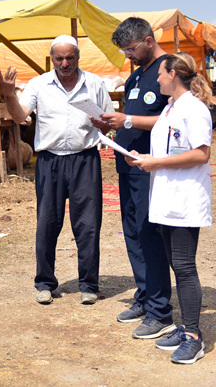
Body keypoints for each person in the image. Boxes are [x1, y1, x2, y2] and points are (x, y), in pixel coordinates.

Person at [0, 34, 113, 305]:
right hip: (50, 161)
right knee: (48, 223)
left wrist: (102, 123)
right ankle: (45, 283)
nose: (64, 63)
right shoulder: (39, 84)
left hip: (85, 160)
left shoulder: (94, 83)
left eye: (69, 57)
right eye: (59, 58)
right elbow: (18, 116)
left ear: (77, 57)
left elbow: (109, 124)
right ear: (52, 59)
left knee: (88, 224)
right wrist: (8, 94)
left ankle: (88, 284)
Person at [126, 52, 212, 365]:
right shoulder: (169, 109)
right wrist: (140, 156)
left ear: (173, 74)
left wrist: (156, 162)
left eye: (160, 74)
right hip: (165, 200)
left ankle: (193, 336)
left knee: (185, 267)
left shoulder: (194, 109)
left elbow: (202, 154)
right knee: (176, 265)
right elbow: (166, 150)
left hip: (185, 200)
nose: (157, 79)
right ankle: (184, 328)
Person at [91, 17, 174, 340]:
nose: (128, 56)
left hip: (150, 167)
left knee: (150, 235)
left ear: (149, 40)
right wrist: (112, 124)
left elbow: (170, 120)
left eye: (131, 49)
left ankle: (159, 311)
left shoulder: (170, 69)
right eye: (124, 51)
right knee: (134, 235)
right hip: (128, 166)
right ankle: (144, 294)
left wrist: (128, 120)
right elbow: (134, 120)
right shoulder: (137, 74)